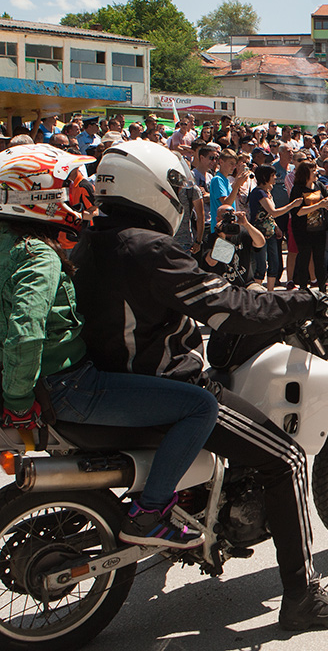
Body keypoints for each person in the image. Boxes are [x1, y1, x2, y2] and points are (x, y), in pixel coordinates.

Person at [73, 140, 328, 630]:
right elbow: (233, 310)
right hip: (165, 387)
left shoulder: (95, 239)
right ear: (151, 188)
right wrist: (302, 302)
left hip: (114, 384)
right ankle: (302, 596)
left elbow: (171, 294)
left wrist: (207, 269)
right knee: (287, 458)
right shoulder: (148, 247)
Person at [0, 144, 218, 549]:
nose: (78, 202)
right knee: (200, 406)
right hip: (68, 385)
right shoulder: (38, 256)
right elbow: (25, 334)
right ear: (39, 195)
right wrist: (17, 402)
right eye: (66, 192)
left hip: (42, 383)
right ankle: (151, 512)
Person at [288, 161, 328, 292]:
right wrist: (319, 205)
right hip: (303, 231)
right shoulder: (297, 189)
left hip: (320, 229)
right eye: (313, 171)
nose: (316, 173)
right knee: (304, 259)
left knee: (320, 261)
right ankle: (303, 288)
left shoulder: (319, 185)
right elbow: (298, 211)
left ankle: (322, 287)